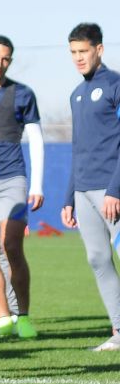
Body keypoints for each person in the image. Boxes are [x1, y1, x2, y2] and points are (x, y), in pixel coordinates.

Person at [0, 35, 44, 339]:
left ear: (10, 61)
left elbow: (37, 140)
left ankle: (24, 316)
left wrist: (37, 185)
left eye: (5, 59)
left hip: (12, 177)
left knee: (12, 246)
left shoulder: (22, 94)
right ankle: (3, 317)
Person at [62, 22, 120, 351]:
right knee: (98, 259)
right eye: (73, 53)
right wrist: (69, 195)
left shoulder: (115, 85)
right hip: (83, 191)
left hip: (111, 189)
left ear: (99, 49)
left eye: (83, 51)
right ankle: (119, 332)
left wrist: (116, 189)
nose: (78, 58)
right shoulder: (76, 94)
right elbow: (77, 146)